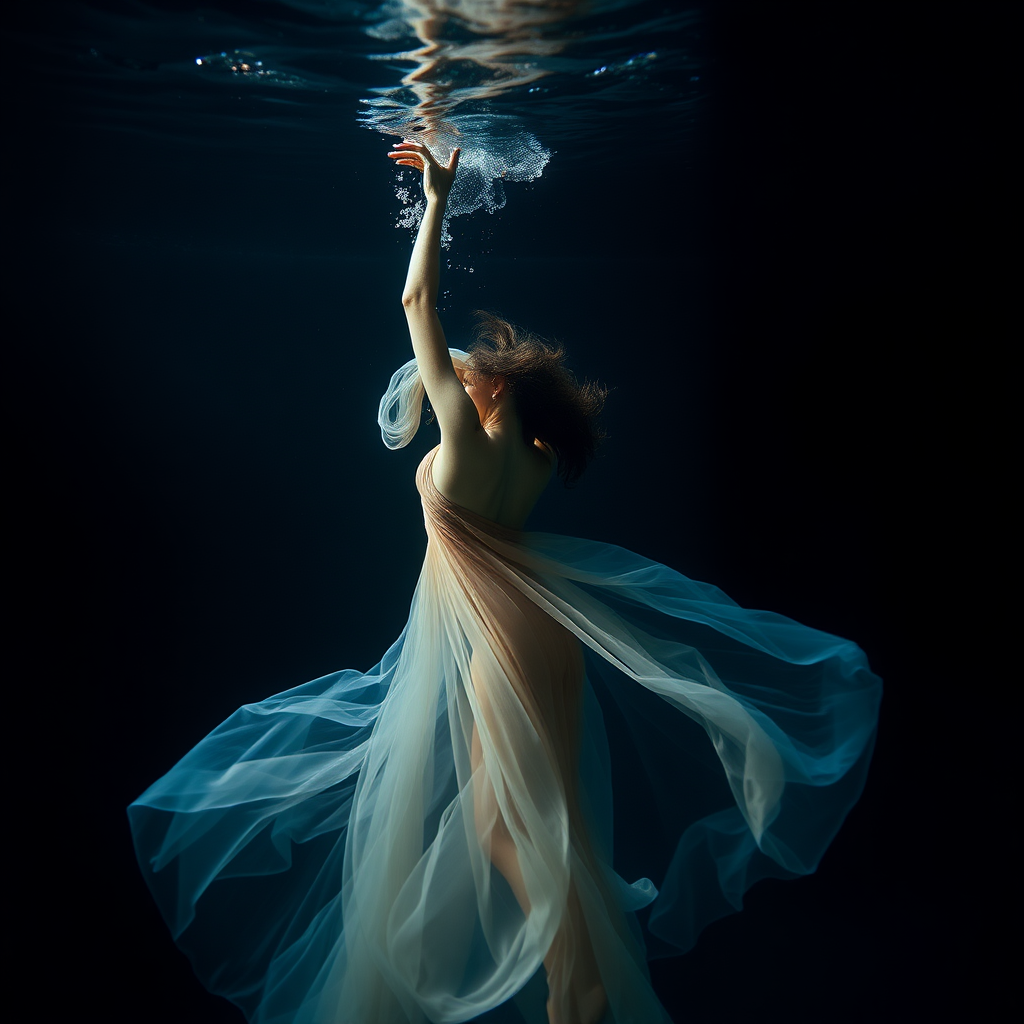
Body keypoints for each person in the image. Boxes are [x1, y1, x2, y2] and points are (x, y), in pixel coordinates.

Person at [128, 141, 882, 1024]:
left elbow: (415, 302)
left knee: (522, 835)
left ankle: (580, 982)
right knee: (514, 827)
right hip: (541, 635)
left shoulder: (467, 437)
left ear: (494, 395)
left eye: (483, 373)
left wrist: (436, 199)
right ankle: (580, 980)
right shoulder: (525, 460)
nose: (469, 374)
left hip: (501, 644)